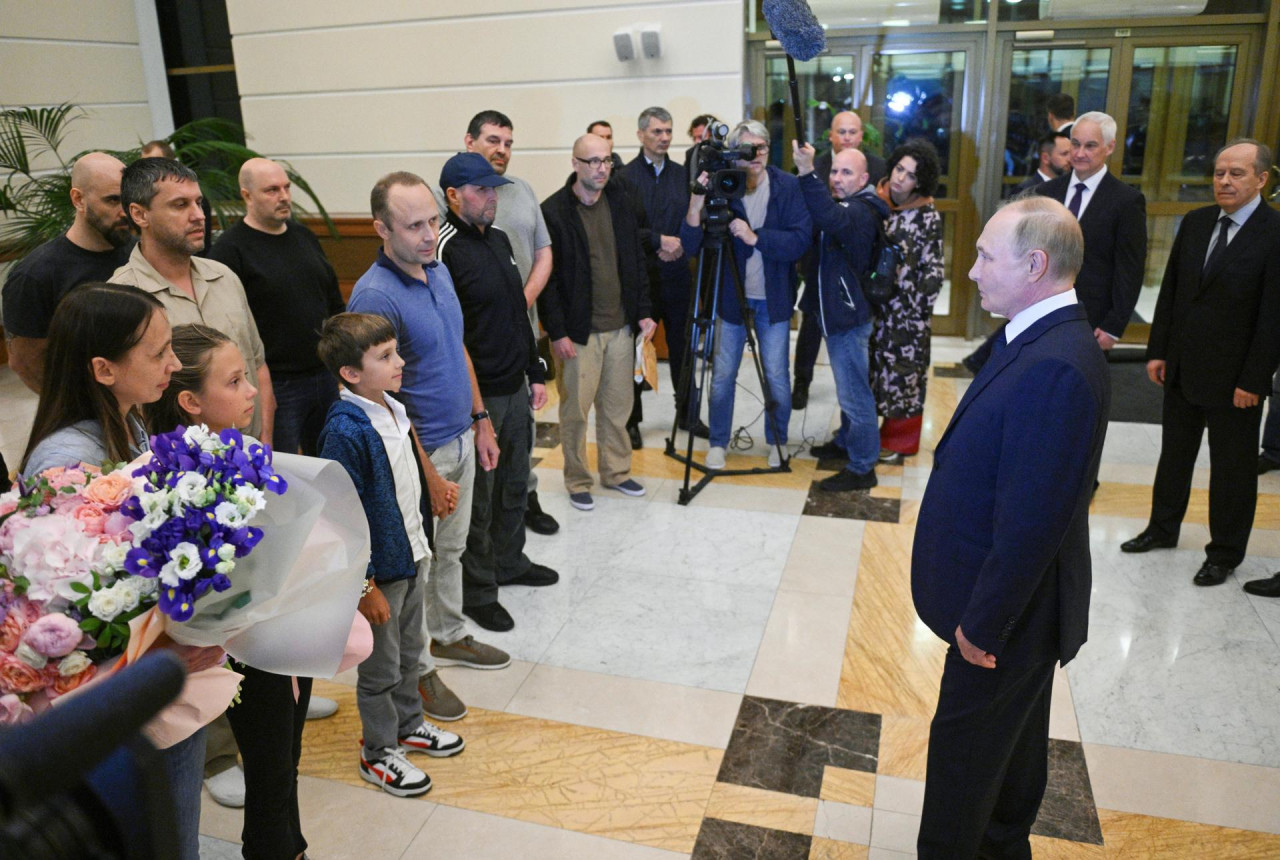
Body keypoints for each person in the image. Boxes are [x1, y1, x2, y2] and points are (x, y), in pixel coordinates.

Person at [912, 197, 1109, 859]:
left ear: (1035, 263)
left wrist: (983, 626)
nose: (969, 272)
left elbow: (1032, 522)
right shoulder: (1034, 334)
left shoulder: (1055, 365)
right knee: (1012, 744)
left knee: (963, 767)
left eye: (984, 257)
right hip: (1009, 614)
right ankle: (1004, 842)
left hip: (1001, 622)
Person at [20, 282, 221, 860]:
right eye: (159, 354)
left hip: (156, 673)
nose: (175, 365)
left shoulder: (130, 423)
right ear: (104, 369)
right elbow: (68, 615)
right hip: (115, 691)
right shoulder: (65, 460)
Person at [346, 171, 510, 726]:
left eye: (432, 222)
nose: (426, 234)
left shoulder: (437, 270)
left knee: (453, 551)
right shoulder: (374, 294)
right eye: (412, 225)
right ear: (380, 227)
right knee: (414, 570)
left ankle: (450, 635)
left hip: (460, 435)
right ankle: (417, 670)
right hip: (418, 455)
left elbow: (455, 346)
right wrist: (430, 475)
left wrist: (481, 419)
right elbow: (381, 400)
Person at [144, 323, 314, 857]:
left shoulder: (241, 452)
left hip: (278, 629)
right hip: (236, 641)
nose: (251, 392)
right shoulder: (176, 478)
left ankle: (291, 841)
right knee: (270, 765)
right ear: (191, 401)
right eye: (236, 382)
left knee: (288, 757)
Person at [317, 312, 465, 799]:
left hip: (411, 552)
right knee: (380, 669)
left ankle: (408, 726)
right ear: (350, 374)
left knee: (408, 653)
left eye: (395, 351)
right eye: (385, 357)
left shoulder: (393, 408)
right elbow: (339, 516)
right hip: (381, 573)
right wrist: (364, 586)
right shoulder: (345, 429)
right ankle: (377, 751)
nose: (399, 362)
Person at [1122, 139, 1280, 593]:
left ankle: (1225, 553)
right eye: (1218, 173)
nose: (1224, 181)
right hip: (1184, 368)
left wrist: (1254, 380)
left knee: (1232, 470)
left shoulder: (1274, 233)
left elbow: (1273, 318)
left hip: (1236, 381)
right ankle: (1161, 528)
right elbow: (1171, 293)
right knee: (1174, 455)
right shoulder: (1195, 223)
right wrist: (1158, 351)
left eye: (1237, 173)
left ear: (1262, 180)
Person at [435, 152, 559, 633]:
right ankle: (479, 591)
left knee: (512, 485)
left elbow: (516, 314)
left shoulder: (501, 239)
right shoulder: (445, 249)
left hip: (515, 388)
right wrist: (479, 411)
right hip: (477, 398)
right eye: (481, 190)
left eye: (494, 190)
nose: (492, 198)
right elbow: (454, 337)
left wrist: (537, 372)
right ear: (453, 195)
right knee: (479, 501)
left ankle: (511, 562)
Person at [965, 112, 1147, 373]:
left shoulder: (1126, 201)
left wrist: (1113, 327)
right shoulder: (1046, 193)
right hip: (1037, 309)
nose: (1080, 153)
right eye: (1075, 144)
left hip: (1090, 317)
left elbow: (1129, 270)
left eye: (1090, 145)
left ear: (1110, 147)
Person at [110, 157, 276, 442]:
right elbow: (123, 405)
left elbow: (257, 364)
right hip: (177, 471)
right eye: (180, 205)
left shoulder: (224, 276)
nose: (199, 215)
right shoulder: (123, 298)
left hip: (247, 449)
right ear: (140, 215)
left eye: (198, 202)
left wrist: (264, 445)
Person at [681, 120, 811, 472]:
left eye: (761, 149)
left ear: (769, 150)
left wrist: (758, 238)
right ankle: (719, 442)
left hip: (774, 298)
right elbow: (691, 245)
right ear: (734, 153)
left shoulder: (787, 186)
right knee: (722, 374)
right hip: (730, 297)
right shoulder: (723, 184)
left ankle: (777, 440)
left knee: (777, 377)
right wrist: (695, 203)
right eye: (747, 150)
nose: (754, 157)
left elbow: (801, 239)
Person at [455, 109, 560, 537]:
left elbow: (544, 251)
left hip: (521, 330)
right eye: (493, 140)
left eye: (508, 143)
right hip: (479, 338)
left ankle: (524, 499)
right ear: (470, 142)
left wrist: (523, 300)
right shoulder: (455, 192)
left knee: (523, 424)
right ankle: (487, 530)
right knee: (486, 428)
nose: (502, 150)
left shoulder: (522, 189)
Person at [539, 133, 657, 511]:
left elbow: (636, 262)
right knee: (575, 413)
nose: (601, 168)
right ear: (575, 164)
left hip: (621, 328)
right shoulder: (554, 212)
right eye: (593, 161)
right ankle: (576, 479)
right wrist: (556, 332)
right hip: (579, 334)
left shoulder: (621, 203)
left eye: (606, 160)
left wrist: (643, 311)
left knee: (617, 408)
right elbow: (549, 281)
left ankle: (617, 472)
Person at [210, 157, 346, 457]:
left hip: (325, 375)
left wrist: (342, 368)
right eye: (271, 190)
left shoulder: (305, 237)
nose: (284, 196)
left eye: (286, 188)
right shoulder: (230, 251)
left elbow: (334, 304)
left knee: (335, 465)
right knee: (281, 468)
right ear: (247, 195)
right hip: (277, 384)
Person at [792, 142, 887, 490]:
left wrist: (805, 172)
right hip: (841, 314)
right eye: (833, 170)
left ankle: (863, 467)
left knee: (854, 394)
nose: (836, 178)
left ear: (864, 178)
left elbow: (830, 219)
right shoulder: (851, 204)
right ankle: (845, 443)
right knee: (849, 386)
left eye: (846, 172)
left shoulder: (860, 210)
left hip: (849, 318)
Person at [2, 152, 133, 392]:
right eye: (113, 200)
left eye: (128, 200)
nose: (125, 211)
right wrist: (77, 411)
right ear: (78, 200)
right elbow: (26, 363)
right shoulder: (36, 274)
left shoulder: (139, 253)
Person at [621, 107, 709, 437]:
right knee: (638, 348)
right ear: (641, 134)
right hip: (642, 278)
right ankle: (631, 421)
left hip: (677, 275)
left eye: (669, 131)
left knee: (683, 347)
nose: (664, 137)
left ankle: (688, 414)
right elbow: (625, 229)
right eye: (657, 131)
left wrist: (679, 245)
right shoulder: (625, 178)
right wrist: (659, 240)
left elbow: (692, 217)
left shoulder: (682, 175)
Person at [793, 110, 886, 409]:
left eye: (852, 132)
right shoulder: (817, 162)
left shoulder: (874, 168)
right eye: (841, 132)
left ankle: (858, 445)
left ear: (861, 136)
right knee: (811, 327)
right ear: (830, 136)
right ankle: (801, 384)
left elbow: (844, 217)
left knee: (851, 364)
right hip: (817, 261)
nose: (846, 137)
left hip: (851, 271)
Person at [870, 140, 946, 464]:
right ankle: (864, 432)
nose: (901, 178)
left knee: (904, 377)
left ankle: (899, 442)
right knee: (873, 373)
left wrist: (910, 304)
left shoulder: (927, 215)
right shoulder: (875, 201)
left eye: (911, 175)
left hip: (906, 315)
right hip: (873, 308)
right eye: (899, 168)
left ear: (921, 181)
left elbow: (934, 270)